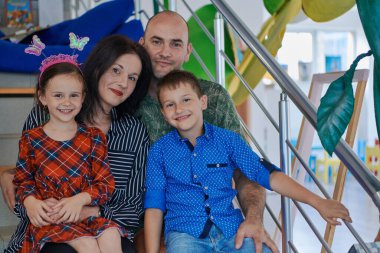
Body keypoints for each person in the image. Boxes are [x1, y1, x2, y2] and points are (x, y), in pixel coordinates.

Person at [144, 70, 352, 253]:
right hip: (184, 235)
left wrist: (318, 202)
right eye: (170, 104)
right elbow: (154, 207)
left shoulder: (228, 141)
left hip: (230, 230)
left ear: (203, 102)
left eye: (186, 100)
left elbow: (268, 175)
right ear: (163, 113)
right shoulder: (159, 152)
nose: (179, 109)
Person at [136, 10, 276, 253]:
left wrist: (254, 219)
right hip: (147, 222)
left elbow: (246, 170)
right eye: (156, 41)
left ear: (188, 52)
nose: (165, 52)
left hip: (214, 220)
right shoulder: (127, 98)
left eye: (175, 44)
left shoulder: (214, 98)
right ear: (142, 45)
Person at [3, 34, 152, 253]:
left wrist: (85, 210)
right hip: (48, 225)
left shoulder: (133, 131)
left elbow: (132, 207)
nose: (123, 82)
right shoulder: (45, 117)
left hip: (100, 224)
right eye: (116, 70)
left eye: (132, 77)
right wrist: (40, 207)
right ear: (98, 67)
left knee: (118, 244)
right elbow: (25, 180)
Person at [14, 54, 124, 252]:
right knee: (87, 244)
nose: (67, 102)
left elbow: (105, 185)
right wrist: (31, 203)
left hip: (84, 214)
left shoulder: (93, 137)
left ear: (83, 97)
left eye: (74, 95)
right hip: (51, 218)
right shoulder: (31, 139)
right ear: (42, 97)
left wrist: (79, 200)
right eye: (58, 95)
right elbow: (23, 181)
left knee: (111, 234)